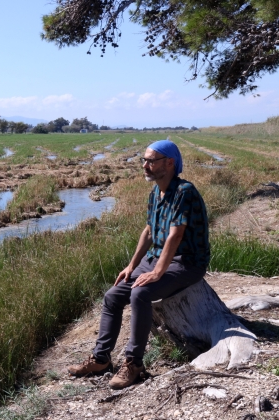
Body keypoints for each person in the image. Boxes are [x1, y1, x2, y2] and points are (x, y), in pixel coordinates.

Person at [68, 140, 210, 389]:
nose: (145, 165)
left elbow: (175, 236)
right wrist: (132, 266)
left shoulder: (184, 192)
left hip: (187, 262)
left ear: (169, 163)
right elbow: (148, 231)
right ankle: (101, 359)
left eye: (151, 161)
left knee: (140, 294)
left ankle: (134, 364)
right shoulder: (156, 191)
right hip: (156, 258)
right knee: (113, 296)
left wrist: (157, 272)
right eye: (143, 160)